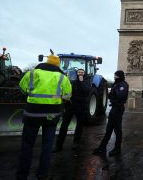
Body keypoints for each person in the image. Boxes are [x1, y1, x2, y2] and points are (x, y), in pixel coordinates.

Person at [16, 52, 72, 180]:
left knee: (27, 145)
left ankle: (21, 175)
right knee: (47, 146)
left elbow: (22, 89)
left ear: (46, 62)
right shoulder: (63, 78)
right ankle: (42, 174)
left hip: (32, 114)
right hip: (52, 115)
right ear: (58, 65)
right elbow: (68, 95)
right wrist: (59, 98)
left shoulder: (32, 73)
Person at [93, 70, 128, 156]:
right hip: (114, 108)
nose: (114, 77)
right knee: (108, 129)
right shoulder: (116, 84)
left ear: (119, 76)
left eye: (115, 76)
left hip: (118, 109)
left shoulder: (123, 84)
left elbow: (121, 95)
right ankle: (102, 147)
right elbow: (113, 95)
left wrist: (114, 90)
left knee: (117, 130)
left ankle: (117, 149)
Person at [53, 68, 90, 152]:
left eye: (82, 72)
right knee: (64, 125)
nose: (80, 73)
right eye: (79, 72)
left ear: (84, 74)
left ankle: (76, 143)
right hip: (70, 105)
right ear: (76, 73)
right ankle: (58, 145)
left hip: (81, 106)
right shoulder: (72, 81)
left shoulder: (87, 82)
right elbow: (67, 91)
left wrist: (81, 82)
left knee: (79, 126)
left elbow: (86, 91)